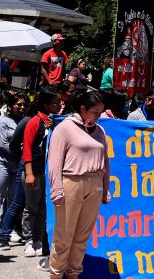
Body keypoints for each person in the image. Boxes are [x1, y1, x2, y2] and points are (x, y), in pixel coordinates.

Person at [47, 90, 110, 279]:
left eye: (101, 112)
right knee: (64, 235)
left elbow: (105, 162)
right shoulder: (65, 128)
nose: (99, 116)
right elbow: (55, 161)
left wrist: (106, 188)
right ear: (83, 109)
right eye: (95, 112)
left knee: (82, 236)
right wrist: (56, 189)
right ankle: (56, 274)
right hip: (71, 182)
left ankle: (74, 274)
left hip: (95, 184)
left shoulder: (100, 131)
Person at [22, 87, 63, 266]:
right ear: (46, 104)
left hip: (49, 172)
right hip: (35, 171)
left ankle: (39, 239)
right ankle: (29, 240)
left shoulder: (55, 122)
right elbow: (27, 149)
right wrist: (29, 174)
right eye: (56, 102)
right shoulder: (34, 122)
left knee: (44, 208)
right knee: (31, 207)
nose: (59, 105)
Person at [0, 92, 28, 251]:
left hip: (18, 165)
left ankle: (6, 230)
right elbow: (4, 144)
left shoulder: (25, 121)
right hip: (3, 163)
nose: (22, 107)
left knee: (12, 200)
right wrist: (22, 151)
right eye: (19, 105)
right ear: (10, 106)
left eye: (24, 105)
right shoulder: (3, 121)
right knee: (0, 195)